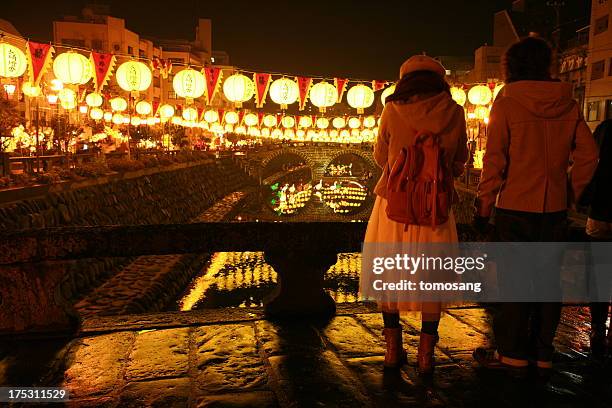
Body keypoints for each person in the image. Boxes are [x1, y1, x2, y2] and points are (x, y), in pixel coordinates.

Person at [473, 37, 599, 374]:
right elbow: (589, 154)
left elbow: (495, 160)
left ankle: (512, 353)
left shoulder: (507, 103)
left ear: (511, 66)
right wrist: (570, 189)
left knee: (514, 281)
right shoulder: (568, 103)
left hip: (515, 207)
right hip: (554, 210)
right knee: (548, 282)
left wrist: (484, 206)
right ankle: (543, 353)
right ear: (547, 65)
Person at [361, 55, 468, 373]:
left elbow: (381, 156)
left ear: (404, 80)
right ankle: (426, 355)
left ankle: (393, 350)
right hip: (435, 205)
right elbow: (460, 158)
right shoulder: (455, 111)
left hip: (394, 205)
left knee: (389, 272)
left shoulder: (392, 109)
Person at [580, 119, 612, 360]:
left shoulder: (605, 131)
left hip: (601, 218)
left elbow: (583, 195)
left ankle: (598, 330)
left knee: (599, 278)